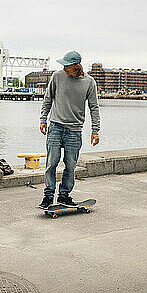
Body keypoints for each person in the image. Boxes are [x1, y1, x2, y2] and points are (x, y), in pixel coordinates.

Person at [38, 50, 101, 209]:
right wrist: (43, 119)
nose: (64, 67)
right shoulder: (57, 76)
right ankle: (48, 196)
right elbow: (48, 99)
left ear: (76, 66)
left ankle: (64, 196)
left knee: (70, 165)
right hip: (55, 127)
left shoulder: (89, 82)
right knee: (51, 163)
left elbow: (94, 107)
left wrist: (95, 130)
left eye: (67, 65)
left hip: (74, 130)